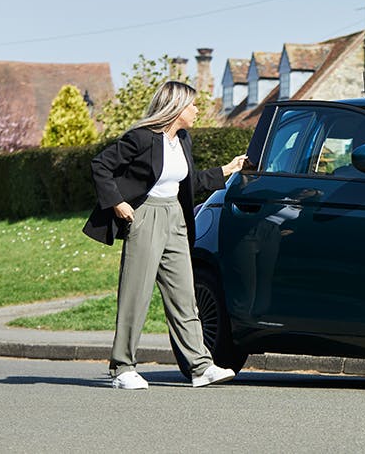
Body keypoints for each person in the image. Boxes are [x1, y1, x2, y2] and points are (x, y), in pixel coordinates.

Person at [82, 81, 248, 390]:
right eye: (193, 105)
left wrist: (228, 169)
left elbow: (189, 182)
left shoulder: (182, 140)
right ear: (176, 108)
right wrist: (117, 202)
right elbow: (101, 165)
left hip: (176, 218)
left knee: (185, 297)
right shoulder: (142, 138)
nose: (198, 110)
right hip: (146, 216)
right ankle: (122, 368)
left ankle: (200, 366)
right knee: (136, 294)